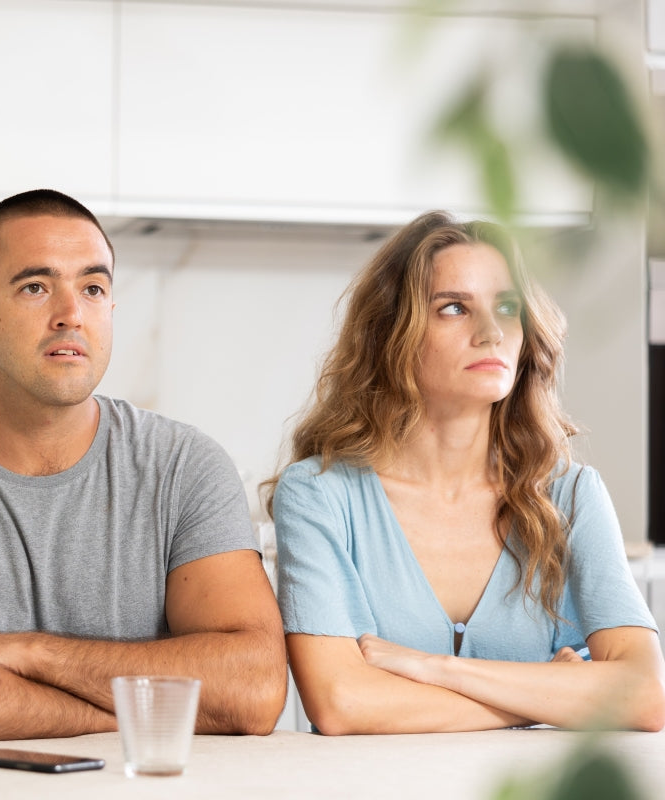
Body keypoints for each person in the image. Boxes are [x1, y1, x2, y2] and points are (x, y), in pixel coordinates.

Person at [0, 189, 287, 740]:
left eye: (93, 289)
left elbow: (254, 690)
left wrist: (32, 652)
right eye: (35, 287)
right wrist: (130, 716)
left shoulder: (185, 467)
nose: (71, 315)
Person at [268, 210, 665, 734]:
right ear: (392, 334)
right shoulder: (319, 495)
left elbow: (644, 697)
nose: (490, 332)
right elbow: (341, 704)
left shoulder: (570, 496)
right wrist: (544, 690)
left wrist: (440, 670)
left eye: (507, 307)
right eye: (454, 307)